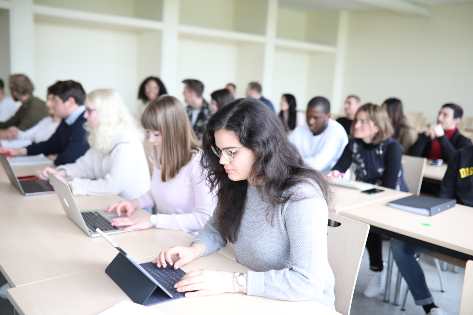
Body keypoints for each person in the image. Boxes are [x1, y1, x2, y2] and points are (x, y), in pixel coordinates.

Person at [156, 98, 335, 305]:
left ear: (261, 147)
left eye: (232, 152)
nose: (223, 161)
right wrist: (194, 250)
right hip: (256, 294)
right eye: (219, 151)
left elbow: (308, 282)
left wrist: (232, 282)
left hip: (301, 304)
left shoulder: (302, 196)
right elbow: (216, 229)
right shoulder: (241, 180)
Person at [329, 103, 408, 298]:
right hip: (365, 197)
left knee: (365, 223)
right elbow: (340, 167)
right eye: (357, 120)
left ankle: (377, 270)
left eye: (363, 121)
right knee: (338, 218)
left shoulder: (392, 147)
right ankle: (334, 269)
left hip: (393, 202)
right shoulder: (353, 142)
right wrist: (334, 174)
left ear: (377, 125)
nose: (356, 125)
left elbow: (389, 187)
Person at [106, 95, 215, 233]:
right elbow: (158, 193)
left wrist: (153, 220)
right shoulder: (160, 153)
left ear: (174, 132)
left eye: (156, 134)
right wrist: (134, 203)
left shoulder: (199, 163)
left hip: (190, 240)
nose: (150, 140)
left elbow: (204, 218)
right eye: (148, 133)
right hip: (164, 232)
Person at [390, 145, 473, 315]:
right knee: (400, 244)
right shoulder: (462, 155)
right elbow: (445, 195)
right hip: (452, 226)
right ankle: (429, 306)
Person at [40, 89, 150, 200]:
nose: (85, 115)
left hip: (135, 208)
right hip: (112, 201)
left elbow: (112, 186)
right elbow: (85, 166)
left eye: (89, 110)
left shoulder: (127, 143)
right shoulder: (104, 135)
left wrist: (71, 185)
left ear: (105, 113)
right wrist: (61, 172)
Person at [0, 80, 89, 166]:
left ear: (70, 102)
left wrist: (55, 158)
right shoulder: (68, 120)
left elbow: (70, 158)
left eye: (54, 100)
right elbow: (51, 144)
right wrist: (19, 151)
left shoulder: (85, 122)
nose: (49, 104)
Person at [289, 96, 348, 173]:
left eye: (316, 118)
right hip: (301, 175)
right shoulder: (300, 129)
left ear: (328, 116)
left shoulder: (336, 132)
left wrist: (292, 161)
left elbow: (317, 165)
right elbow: (284, 153)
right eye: (308, 116)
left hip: (329, 181)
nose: (311, 122)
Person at [1, 83, 61, 148]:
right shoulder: (47, 120)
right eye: (48, 99)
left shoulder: (34, 107)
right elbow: (27, 135)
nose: (47, 104)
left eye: (52, 100)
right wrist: (14, 132)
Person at [0, 74, 48, 139]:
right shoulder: (26, 105)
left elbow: (16, 134)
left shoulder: (35, 107)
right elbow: (8, 124)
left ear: (14, 92)